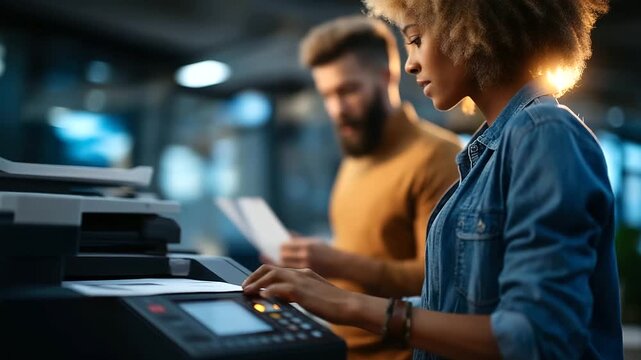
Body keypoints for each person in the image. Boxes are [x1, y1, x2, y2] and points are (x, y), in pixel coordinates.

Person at [244, 1, 624, 359]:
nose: (411, 64)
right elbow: (455, 302)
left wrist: (350, 304)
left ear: (472, 27)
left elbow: (536, 336)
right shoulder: (486, 154)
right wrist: (331, 294)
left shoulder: (544, 133)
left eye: (416, 40)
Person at [273, 15, 461, 360]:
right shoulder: (354, 159)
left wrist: (335, 262)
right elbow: (367, 252)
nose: (336, 110)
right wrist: (309, 262)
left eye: (348, 90)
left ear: (386, 75)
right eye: (327, 95)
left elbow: (436, 280)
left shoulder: (439, 157)